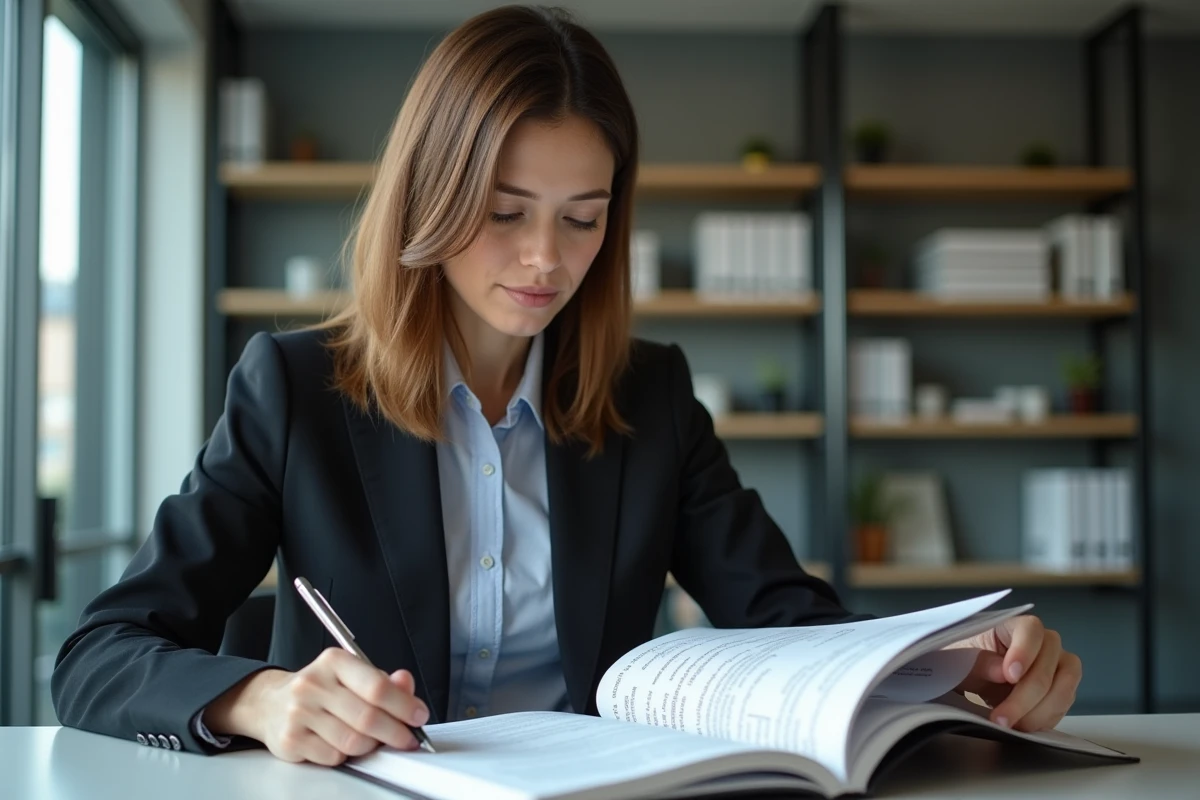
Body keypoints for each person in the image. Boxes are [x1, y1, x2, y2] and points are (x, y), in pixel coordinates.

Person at [52, 4, 1081, 766]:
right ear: (432, 196)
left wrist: (951, 662)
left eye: (582, 217)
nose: (546, 257)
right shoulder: (294, 389)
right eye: (506, 212)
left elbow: (791, 627)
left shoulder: (654, 397)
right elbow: (99, 652)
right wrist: (263, 698)